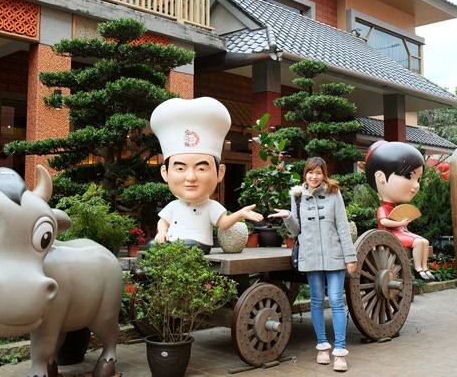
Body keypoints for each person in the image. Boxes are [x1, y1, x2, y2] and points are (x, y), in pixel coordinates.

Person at [269, 156, 357, 372]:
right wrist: (288, 216)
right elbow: (296, 231)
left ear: (324, 174)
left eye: (318, 172)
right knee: (316, 301)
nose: (314, 176)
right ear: (305, 174)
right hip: (311, 256)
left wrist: (350, 256)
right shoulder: (298, 197)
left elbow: (343, 227)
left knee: (336, 300)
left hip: (334, 255)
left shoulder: (334, 194)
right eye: (310, 172)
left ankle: (340, 352)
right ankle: (322, 348)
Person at [148, 97, 263, 254]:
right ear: (165, 173)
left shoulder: (211, 206)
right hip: (172, 241)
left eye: (201, 169)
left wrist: (240, 213)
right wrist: (161, 233)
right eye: (180, 169)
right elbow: (163, 221)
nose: (191, 177)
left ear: (220, 173)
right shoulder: (173, 206)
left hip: (197, 244)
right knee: (151, 246)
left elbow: (223, 223)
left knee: (184, 248)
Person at [364, 140, 435, 281]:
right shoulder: (383, 208)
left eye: (418, 179)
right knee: (418, 242)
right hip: (389, 235)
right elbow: (383, 221)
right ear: (380, 177)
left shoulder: (395, 208)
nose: (416, 185)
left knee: (424, 242)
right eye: (409, 176)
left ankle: (424, 267)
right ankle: (418, 268)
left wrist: (402, 224)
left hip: (399, 233)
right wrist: (400, 223)